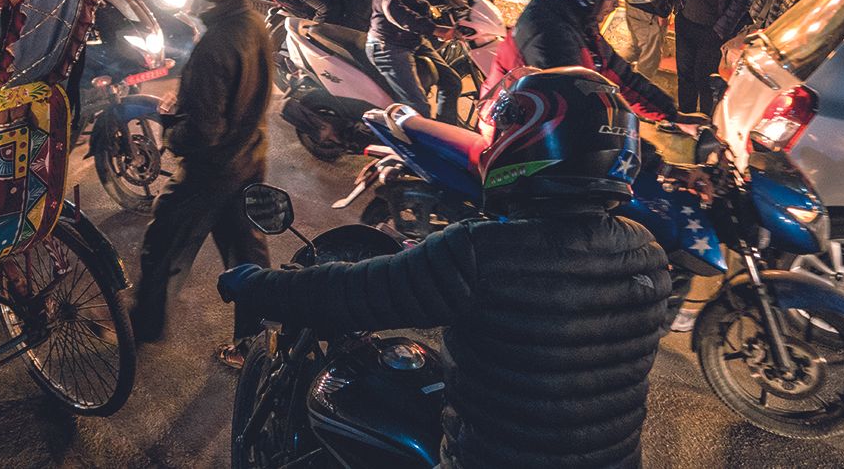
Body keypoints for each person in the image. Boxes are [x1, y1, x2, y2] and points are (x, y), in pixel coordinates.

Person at [219, 67, 671, 469]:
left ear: (533, 140)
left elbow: (356, 294)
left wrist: (257, 283)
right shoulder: (647, 252)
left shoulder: (484, 251)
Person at [132, 0, 273, 368]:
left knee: (163, 241)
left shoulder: (219, 42)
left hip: (212, 170)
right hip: (249, 156)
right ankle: (254, 344)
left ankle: (142, 325)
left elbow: (206, 129)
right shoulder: (253, 24)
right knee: (247, 254)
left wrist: (172, 135)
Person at [483, 0, 681, 122]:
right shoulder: (547, 30)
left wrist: (673, 115)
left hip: (545, 136)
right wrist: (643, 153)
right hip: (509, 140)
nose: (616, 4)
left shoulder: (579, 22)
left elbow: (620, 76)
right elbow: (575, 108)